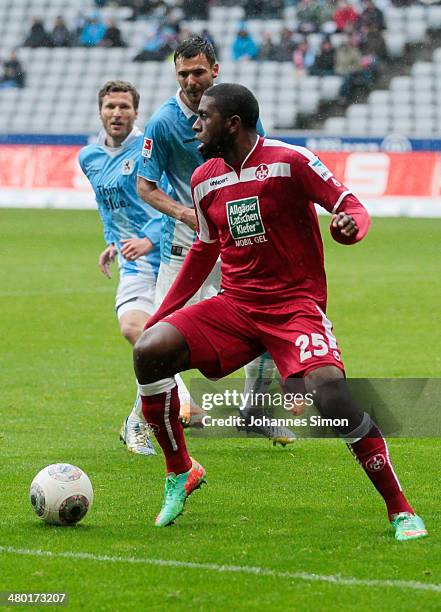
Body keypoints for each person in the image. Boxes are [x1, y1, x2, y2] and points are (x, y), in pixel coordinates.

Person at [133, 83, 428, 542]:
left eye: (204, 116)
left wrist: (349, 229)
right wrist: (163, 314)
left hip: (294, 308)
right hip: (235, 305)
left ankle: (401, 509)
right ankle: (181, 471)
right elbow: (206, 248)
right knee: (150, 350)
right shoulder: (204, 178)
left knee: (330, 396)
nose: (194, 124)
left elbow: (349, 206)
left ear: (232, 123)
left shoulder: (291, 161)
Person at [136, 36, 294, 441]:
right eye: (183, 73)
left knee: (261, 320)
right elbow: (145, 186)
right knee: (163, 329)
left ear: (215, 71)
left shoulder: (236, 109)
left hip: (237, 238)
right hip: (186, 241)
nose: (191, 80)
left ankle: (254, 412)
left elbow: (262, 163)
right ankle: (167, 412)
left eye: (198, 72)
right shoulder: (162, 122)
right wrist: (184, 212)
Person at [79, 80, 163, 456]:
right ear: (100, 111)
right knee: (135, 329)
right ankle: (144, 418)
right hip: (136, 261)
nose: (117, 113)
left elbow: (175, 200)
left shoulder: (149, 150)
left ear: (135, 112)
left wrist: (149, 237)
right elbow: (108, 204)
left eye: (124, 107)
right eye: (111, 106)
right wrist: (113, 242)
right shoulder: (89, 158)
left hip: (178, 254)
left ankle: (255, 409)